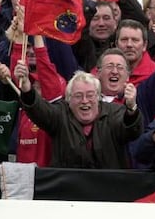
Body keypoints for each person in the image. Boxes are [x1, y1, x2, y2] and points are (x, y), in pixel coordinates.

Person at [13, 66, 143, 169]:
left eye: (90, 95)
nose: (85, 101)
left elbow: (132, 132)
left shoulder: (115, 112)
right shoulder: (61, 113)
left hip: (108, 191)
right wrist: (26, 87)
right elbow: (39, 110)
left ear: (98, 97)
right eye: (78, 96)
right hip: (68, 191)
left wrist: (131, 109)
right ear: (69, 100)